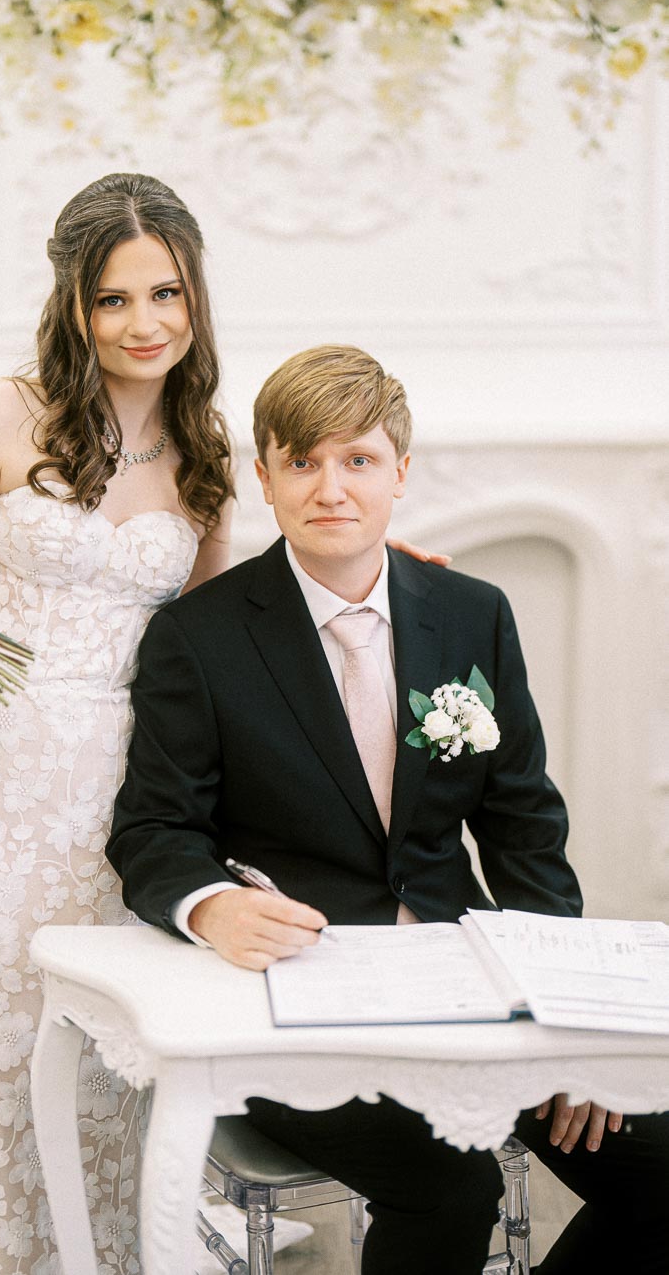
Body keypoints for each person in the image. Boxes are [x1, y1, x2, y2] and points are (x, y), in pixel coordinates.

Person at [0, 183, 441, 1275]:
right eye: (113, 298)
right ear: (73, 304)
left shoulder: (208, 444)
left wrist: (392, 582)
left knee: (107, 1067)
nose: (143, 323)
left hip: (119, 804)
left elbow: (224, 640)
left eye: (165, 292)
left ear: (194, 292)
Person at [107, 343, 669, 1275]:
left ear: (400, 472)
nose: (331, 487)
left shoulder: (473, 612)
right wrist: (212, 905)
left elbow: (525, 826)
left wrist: (568, 1028)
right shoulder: (197, 639)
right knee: (452, 1190)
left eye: (358, 460)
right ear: (267, 477)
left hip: (471, 990)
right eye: (303, 461)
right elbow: (153, 830)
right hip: (301, 1005)